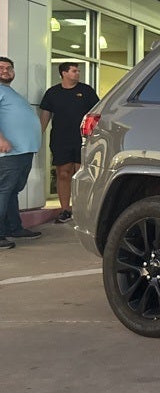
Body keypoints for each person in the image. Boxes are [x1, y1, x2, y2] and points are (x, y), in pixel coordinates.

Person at [39, 61, 99, 225]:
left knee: (81, 173)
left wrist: (93, 134)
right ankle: (65, 209)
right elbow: (45, 115)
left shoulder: (86, 91)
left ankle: (82, 209)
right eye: (74, 71)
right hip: (60, 138)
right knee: (63, 173)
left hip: (83, 138)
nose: (77, 74)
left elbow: (96, 112)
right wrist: (38, 134)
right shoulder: (52, 93)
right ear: (64, 73)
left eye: (78, 71)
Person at [0, 56, 42, 250]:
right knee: (4, 191)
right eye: (1, 68)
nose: (6, 71)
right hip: (9, 152)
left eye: (9, 68)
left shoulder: (9, 92)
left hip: (22, 150)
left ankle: (13, 228)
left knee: (11, 191)